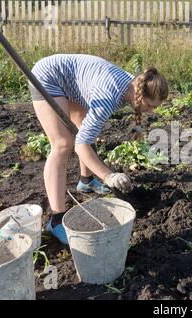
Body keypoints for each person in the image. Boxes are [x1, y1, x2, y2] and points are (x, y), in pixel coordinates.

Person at [29, 54, 168, 244]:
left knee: (85, 126)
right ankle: (56, 220)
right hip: (49, 76)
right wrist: (108, 175)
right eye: (150, 106)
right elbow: (82, 146)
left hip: (73, 81)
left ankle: (86, 180)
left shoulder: (133, 86)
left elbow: (88, 133)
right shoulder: (109, 95)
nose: (151, 111)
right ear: (140, 95)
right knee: (63, 144)